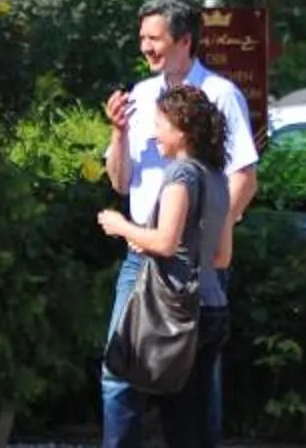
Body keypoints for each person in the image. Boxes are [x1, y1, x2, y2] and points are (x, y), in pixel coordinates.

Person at [100, 0, 260, 448]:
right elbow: (121, 181)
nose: (145, 48)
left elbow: (244, 177)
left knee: (193, 381)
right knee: (120, 369)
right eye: (142, 38)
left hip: (192, 262)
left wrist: (205, 236)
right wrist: (118, 132)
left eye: (155, 39)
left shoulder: (220, 94)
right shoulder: (141, 95)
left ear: (185, 40)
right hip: (140, 259)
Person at [96, 84, 233, 448]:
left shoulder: (181, 174)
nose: (154, 133)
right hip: (213, 307)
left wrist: (121, 226)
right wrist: (152, 241)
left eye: (159, 125)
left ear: (182, 129)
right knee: (191, 418)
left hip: (176, 311)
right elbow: (221, 256)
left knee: (128, 380)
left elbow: (165, 242)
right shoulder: (218, 177)